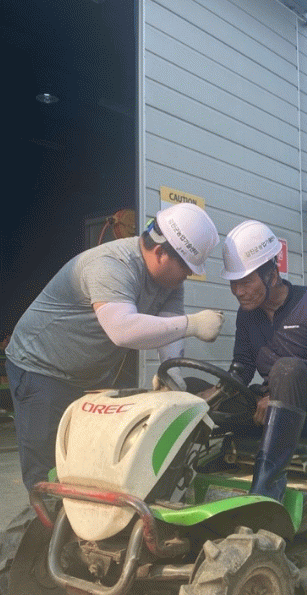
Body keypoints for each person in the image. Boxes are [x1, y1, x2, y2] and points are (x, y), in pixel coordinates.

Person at [5, 203, 224, 492]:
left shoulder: (170, 284)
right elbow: (122, 330)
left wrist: (172, 376)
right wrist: (193, 324)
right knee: (49, 472)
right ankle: (47, 519)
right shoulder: (112, 264)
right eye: (186, 268)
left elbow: (169, 330)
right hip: (41, 367)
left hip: (89, 374)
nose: (188, 276)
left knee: (90, 464)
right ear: (161, 253)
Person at [220, 220, 307, 501]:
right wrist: (217, 392)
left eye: (246, 282)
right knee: (195, 391)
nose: (238, 291)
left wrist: (280, 395)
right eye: (233, 283)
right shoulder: (246, 315)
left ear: (272, 275)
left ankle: (266, 494)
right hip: (272, 405)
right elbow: (243, 366)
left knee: (287, 369)